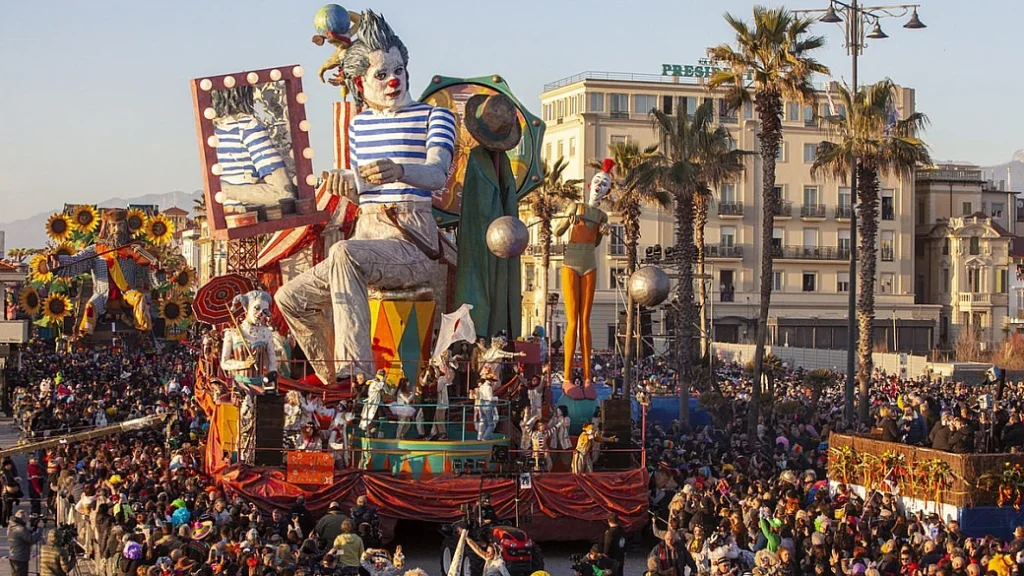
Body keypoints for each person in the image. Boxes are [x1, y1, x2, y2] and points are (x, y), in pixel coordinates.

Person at [275, 9, 456, 384]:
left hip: (412, 243)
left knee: (343, 253)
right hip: (367, 239)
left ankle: (354, 374)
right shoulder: (359, 126)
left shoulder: (433, 116)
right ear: (361, 81)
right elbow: (364, 188)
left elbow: (438, 172)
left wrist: (402, 170)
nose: (393, 80)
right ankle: (331, 382)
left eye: (398, 71)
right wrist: (346, 183)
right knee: (289, 298)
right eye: (382, 74)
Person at [452, 92, 524, 339]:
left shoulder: (495, 164)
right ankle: (481, 329)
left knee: (488, 277)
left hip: (494, 240)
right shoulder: (485, 162)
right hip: (485, 242)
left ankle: (484, 330)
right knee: (484, 278)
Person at [556, 159, 613, 383]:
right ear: (591, 185)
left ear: (607, 191)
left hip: (589, 264)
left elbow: (596, 243)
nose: (599, 186)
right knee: (572, 321)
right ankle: (568, 377)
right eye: (598, 181)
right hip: (570, 262)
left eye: (604, 184)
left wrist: (603, 231)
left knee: (585, 320)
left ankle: (589, 376)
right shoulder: (577, 207)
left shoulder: (602, 217)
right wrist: (569, 221)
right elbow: (559, 231)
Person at [8, 510, 41, 576]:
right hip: (21, 557)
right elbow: (32, 539)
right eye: (26, 518)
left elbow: (25, 535)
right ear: (22, 519)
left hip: (13, 555)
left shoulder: (12, 526)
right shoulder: (20, 529)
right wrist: (40, 529)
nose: (27, 520)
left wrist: (33, 529)